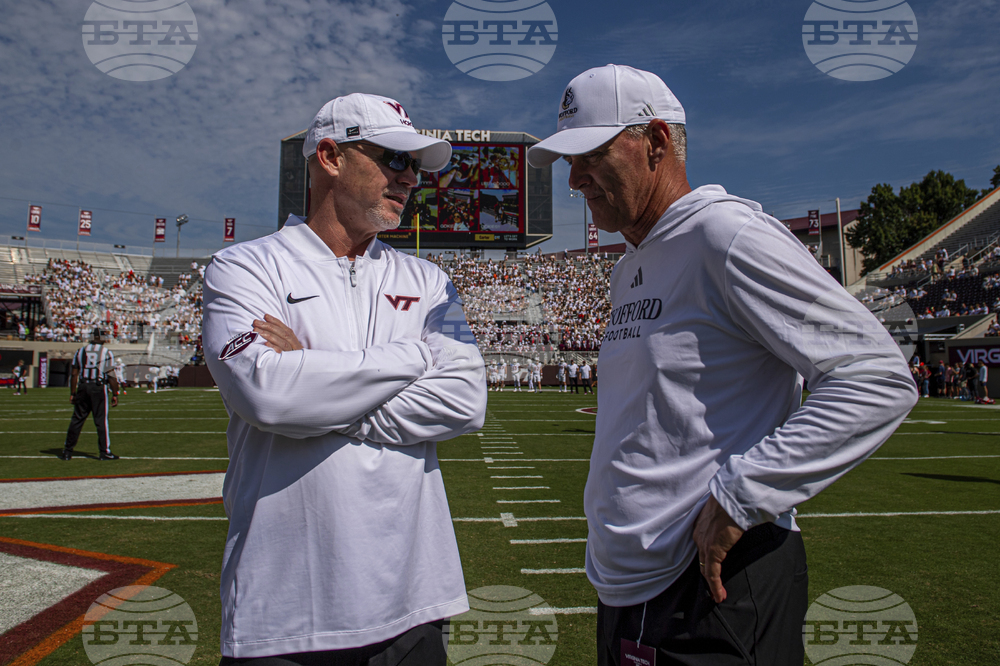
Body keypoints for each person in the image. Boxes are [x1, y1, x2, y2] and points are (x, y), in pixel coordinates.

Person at [527, 64, 918, 665]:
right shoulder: (630, 265)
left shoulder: (726, 235)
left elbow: (875, 375)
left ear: (656, 142)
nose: (575, 177)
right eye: (569, 160)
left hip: (712, 582)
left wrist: (743, 495)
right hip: (632, 584)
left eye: (593, 155)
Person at [202, 92, 487, 665]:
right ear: (331, 157)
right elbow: (268, 394)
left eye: (415, 165)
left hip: (413, 604)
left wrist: (313, 371)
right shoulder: (242, 268)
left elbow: (464, 400)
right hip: (284, 614)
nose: (410, 179)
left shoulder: (429, 280)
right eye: (394, 159)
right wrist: (413, 357)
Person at [59, 328, 120, 460]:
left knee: (77, 420)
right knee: (101, 421)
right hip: (98, 387)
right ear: (100, 338)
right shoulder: (105, 352)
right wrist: (115, 393)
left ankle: (67, 451)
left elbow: (74, 374)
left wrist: (73, 392)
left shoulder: (80, 351)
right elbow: (111, 374)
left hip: (83, 386)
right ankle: (104, 451)